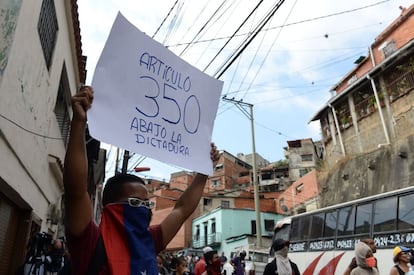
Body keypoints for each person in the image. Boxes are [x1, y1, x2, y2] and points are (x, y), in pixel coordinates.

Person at [63, 85, 220, 274]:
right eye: (136, 202)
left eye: (147, 204)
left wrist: (203, 171)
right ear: (110, 205)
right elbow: (76, 191)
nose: (144, 209)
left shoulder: (149, 241)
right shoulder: (90, 241)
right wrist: (78, 123)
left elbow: (182, 209)